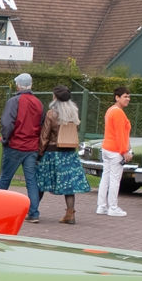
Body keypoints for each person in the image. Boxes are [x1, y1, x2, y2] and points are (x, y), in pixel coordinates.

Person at [37, 85, 91, 223]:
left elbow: (45, 136)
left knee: (41, 183)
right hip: (69, 153)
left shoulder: (51, 114)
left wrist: (39, 153)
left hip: (52, 153)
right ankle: (70, 213)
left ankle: (33, 210)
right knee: (69, 186)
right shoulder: (73, 114)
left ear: (55, 97)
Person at [0, 73, 43, 222]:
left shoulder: (14, 101)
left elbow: (7, 122)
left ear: (18, 85)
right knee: (31, 181)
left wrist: (5, 139)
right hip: (31, 147)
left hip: (15, 145)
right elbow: (41, 124)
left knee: (5, 178)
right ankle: (34, 212)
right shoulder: (38, 103)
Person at [96, 86, 133, 217]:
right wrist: (124, 151)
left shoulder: (110, 110)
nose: (128, 99)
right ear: (117, 97)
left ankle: (101, 206)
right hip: (115, 150)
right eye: (125, 96)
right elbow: (120, 134)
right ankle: (113, 207)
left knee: (105, 177)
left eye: (128, 96)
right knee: (114, 179)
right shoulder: (118, 112)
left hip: (107, 148)